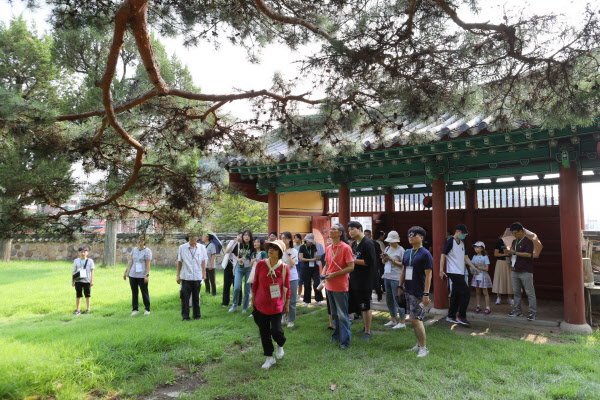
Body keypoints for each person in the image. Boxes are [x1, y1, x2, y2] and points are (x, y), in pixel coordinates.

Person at [251, 239, 291, 370]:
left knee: (276, 330)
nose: (270, 250)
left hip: (276, 305)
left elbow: (287, 287)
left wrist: (287, 304)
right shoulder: (261, 264)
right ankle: (269, 357)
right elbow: (255, 282)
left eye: (274, 248)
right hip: (261, 303)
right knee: (264, 332)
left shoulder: (284, 268)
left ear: (280, 252)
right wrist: (253, 299)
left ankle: (280, 344)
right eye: (270, 247)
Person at [398, 226, 433, 358]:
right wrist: (400, 286)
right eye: (409, 235)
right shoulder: (407, 252)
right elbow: (403, 270)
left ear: (421, 237)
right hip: (408, 289)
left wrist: (426, 294)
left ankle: (424, 348)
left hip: (419, 291)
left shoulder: (425, 254)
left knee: (416, 319)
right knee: (413, 319)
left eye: (414, 235)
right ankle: (418, 345)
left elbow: (428, 275)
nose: (411, 237)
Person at [324, 223, 354, 349]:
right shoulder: (328, 248)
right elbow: (327, 264)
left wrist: (334, 274)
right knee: (334, 313)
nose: (331, 230)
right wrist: (324, 275)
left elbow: (351, 267)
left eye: (334, 229)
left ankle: (345, 341)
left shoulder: (346, 248)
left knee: (342, 314)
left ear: (340, 233)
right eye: (330, 229)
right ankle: (336, 335)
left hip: (340, 286)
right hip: (329, 285)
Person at [440, 224, 477, 326]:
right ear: (457, 231)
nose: (464, 235)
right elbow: (443, 255)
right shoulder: (450, 241)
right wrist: (441, 270)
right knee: (466, 293)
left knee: (455, 294)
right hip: (453, 271)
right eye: (463, 233)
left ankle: (451, 316)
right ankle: (461, 316)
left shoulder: (462, 243)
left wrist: (473, 267)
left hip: (460, 271)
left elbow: (466, 257)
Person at [347, 220, 377, 340]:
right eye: (349, 230)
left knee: (366, 305)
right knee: (360, 305)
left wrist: (352, 260)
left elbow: (369, 262)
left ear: (360, 229)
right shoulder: (355, 243)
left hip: (365, 279)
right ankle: (364, 327)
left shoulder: (368, 243)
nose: (350, 232)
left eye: (352, 229)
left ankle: (368, 332)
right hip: (356, 278)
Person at [506, 222, 537, 321]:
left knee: (529, 292)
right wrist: (509, 253)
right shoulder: (514, 242)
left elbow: (528, 254)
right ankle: (517, 310)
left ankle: (532, 312)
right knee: (516, 292)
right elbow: (513, 253)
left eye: (515, 233)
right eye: (512, 233)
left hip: (525, 270)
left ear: (521, 231)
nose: (514, 235)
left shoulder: (528, 241)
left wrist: (514, 252)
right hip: (515, 270)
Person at [176, 234, 207, 320]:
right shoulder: (182, 247)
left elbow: (203, 261)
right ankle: (185, 317)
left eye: (194, 237)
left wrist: (204, 273)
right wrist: (178, 275)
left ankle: (197, 316)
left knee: (196, 297)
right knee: (185, 297)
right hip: (186, 276)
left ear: (197, 238)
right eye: (190, 237)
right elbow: (179, 261)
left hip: (197, 275)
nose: (192, 239)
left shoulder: (202, 247)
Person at [381, 231, 407, 329]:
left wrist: (392, 260)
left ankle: (402, 321)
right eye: (389, 241)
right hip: (387, 276)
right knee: (389, 299)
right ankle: (393, 319)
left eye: (392, 241)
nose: (390, 243)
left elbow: (404, 264)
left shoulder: (401, 250)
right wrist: (384, 258)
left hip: (396, 277)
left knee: (398, 299)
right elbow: (383, 262)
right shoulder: (387, 248)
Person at [123, 236, 152, 315]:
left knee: (144, 292)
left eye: (141, 240)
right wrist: (125, 272)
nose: (139, 242)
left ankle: (147, 309)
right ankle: (135, 309)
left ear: (144, 242)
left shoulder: (147, 251)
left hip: (142, 275)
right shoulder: (134, 250)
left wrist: (147, 275)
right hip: (133, 274)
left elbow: (148, 264)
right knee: (134, 292)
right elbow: (130, 262)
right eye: (138, 240)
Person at [227, 230, 254, 313]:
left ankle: (245, 307)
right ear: (242, 237)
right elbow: (233, 254)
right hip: (239, 268)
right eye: (245, 235)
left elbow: (254, 256)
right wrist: (238, 259)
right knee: (236, 287)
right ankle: (234, 305)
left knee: (247, 289)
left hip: (249, 268)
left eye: (248, 235)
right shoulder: (239, 244)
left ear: (250, 237)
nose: (246, 237)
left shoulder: (252, 246)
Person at [280, 232, 299, 327]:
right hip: (280, 277)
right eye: (282, 238)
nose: (283, 240)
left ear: (289, 239)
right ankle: (283, 316)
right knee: (281, 298)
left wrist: (288, 253)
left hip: (292, 278)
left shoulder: (294, 251)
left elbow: (291, 264)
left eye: (285, 238)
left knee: (292, 299)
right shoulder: (279, 251)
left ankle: (291, 320)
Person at [299, 233, 323, 306]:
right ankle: (307, 301)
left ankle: (318, 299)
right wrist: (310, 260)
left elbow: (315, 255)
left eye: (311, 241)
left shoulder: (313, 246)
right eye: (309, 241)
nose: (310, 242)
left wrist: (316, 258)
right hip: (306, 267)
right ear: (306, 240)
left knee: (317, 282)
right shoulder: (302, 247)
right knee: (307, 284)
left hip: (314, 266)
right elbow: (300, 258)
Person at [71, 245, 95, 315]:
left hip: (87, 281)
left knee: (87, 295)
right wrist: (72, 281)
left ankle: (88, 309)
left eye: (85, 252)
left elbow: (92, 271)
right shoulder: (76, 261)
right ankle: (78, 309)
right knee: (78, 295)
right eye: (81, 252)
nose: (83, 253)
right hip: (78, 280)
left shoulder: (90, 261)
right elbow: (73, 271)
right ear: (78, 253)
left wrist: (92, 280)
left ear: (87, 253)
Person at [471, 241, 492, 315]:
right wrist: (475, 267)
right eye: (475, 247)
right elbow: (472, 266)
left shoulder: (485, 257)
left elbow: (487, 268)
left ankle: (488, 307)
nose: (476, 249)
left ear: (482, 248)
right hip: (476, 275)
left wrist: (479, 267)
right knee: (477, 292)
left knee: (485, 292)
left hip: (483, 275)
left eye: (478, 247)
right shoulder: (474, 257)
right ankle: (478, 306)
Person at [492, 234, 514, 305]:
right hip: (501, 262)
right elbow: (496, 254)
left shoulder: (513, 242)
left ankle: (510, 298)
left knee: (510, 280)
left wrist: (511, 252)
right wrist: (505, 254)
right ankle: (498, 298)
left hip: (510, 262)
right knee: (500, 278)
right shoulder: (500, 242)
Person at [221, 237, 236, 307]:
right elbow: (227, 251)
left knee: (236, 284)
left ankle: (237, 302)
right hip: (229, 263)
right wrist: (233, 243)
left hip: (238, 264)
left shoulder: (243, 243)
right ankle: (225, 302)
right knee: (227, 283)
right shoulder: (232, 242)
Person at [293, 233, 304, 300]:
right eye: (295, 238)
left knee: (300, 280)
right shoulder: (292, 247)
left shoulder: (302, 246)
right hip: (294, 264)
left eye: (297, 237)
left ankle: (299, 295)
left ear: (300, 239)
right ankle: (294, 294)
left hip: (301, 263)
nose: (295, 239)